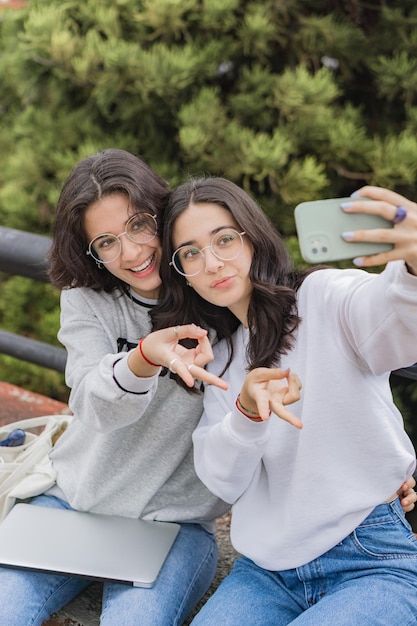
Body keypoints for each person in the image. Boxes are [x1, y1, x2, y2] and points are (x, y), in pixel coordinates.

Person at [149, 177, 417, 625]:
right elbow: (222, 481)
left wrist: (412, 268)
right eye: (191, 253)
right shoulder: (217, 358)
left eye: (225, 239)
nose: (212, 262)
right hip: (267, 572)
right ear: (182, 273)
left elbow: (394, 323)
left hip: (371, 558)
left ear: (254, 237)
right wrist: (247, 413)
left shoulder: (323, 296)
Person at [0, 149, 231, 626]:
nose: (130, 252)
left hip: (176, 521)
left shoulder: (218, 287)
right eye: (106, 242)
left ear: (162, 213)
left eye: (139, 225)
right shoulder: (86, 299)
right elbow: (93, 405)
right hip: (71, 500)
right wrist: (143, 358)